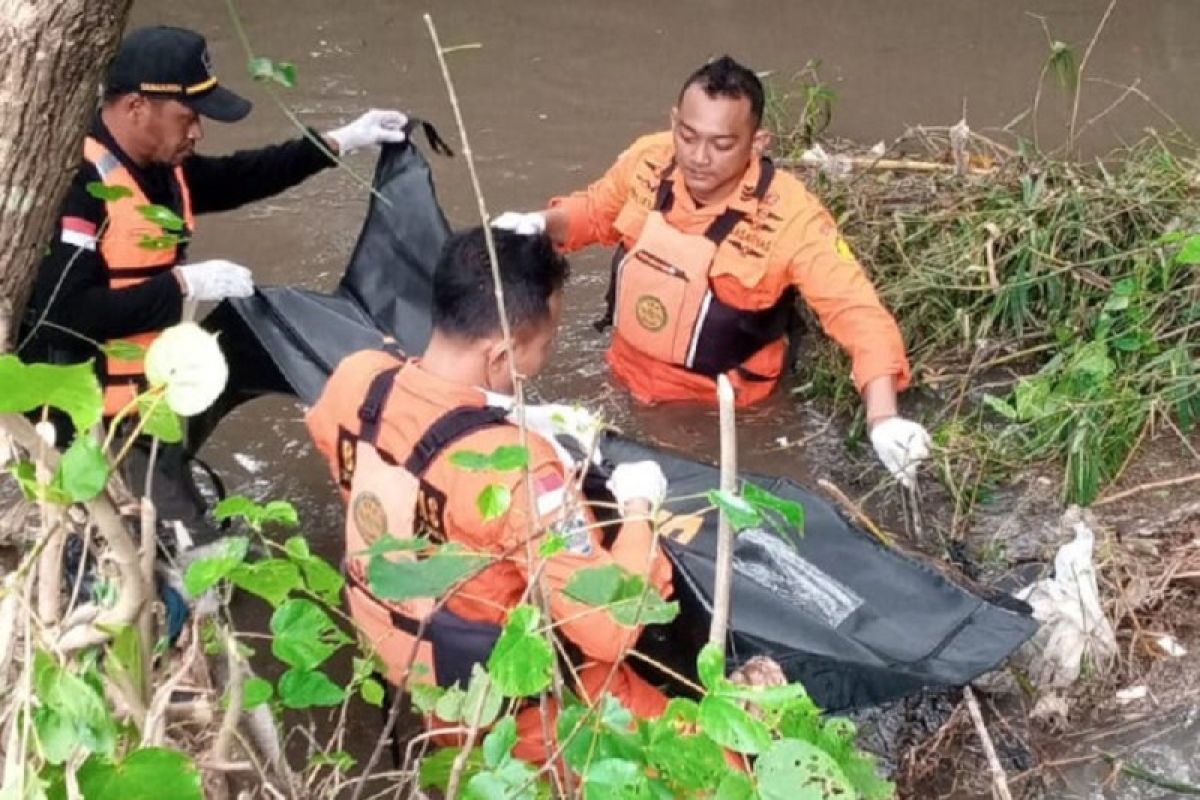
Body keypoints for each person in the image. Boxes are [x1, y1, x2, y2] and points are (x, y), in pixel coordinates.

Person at [307, 227, 674, 763]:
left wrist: (492, 414)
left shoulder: (357, 380)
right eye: (544, 346)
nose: (542, 360)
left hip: (405, 661)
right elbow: (609, 628)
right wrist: (639, 504)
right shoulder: (519, 470)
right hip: (516, 706)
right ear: (502, 353)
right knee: (715, 765)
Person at [493, 56, 931, 488]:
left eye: (722, 145)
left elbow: (859, 314)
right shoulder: (649, 161)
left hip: (715, 417)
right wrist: (538, 224)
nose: (699, 158)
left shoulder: (794, 218)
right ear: (674, 123)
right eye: (687, 135)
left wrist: (883, 418)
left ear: (758, 143)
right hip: (622, 378)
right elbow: (593, 213)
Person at [18, 25, 408, 433]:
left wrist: (339, 142)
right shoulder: (74, 186)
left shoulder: (162, 165)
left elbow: (240, 177)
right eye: (186, 117)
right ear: (136, 107)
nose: (197, 131)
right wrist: (183, 285)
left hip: (148, 402)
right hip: (85, 423)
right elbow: (61, 315)